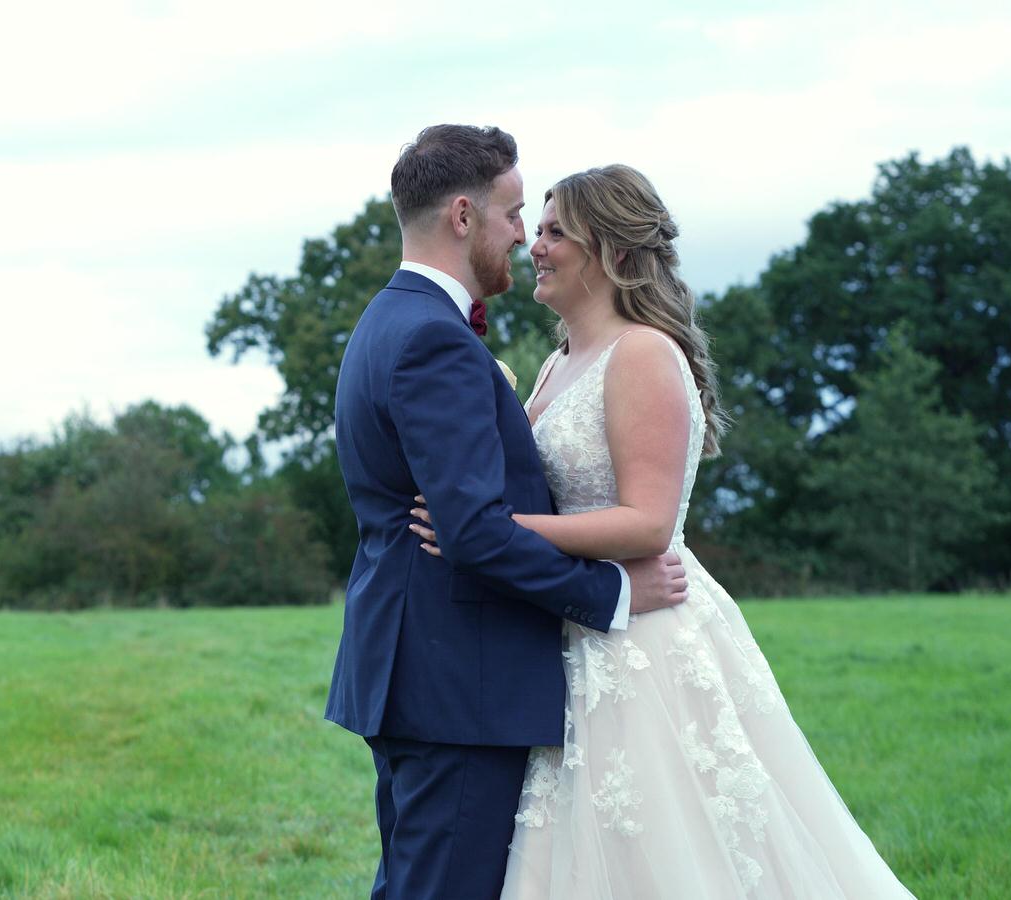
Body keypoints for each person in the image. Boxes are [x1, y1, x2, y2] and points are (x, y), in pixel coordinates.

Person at [408, 164, 917, 897]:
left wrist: (493, 528)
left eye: (556, 233)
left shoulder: (643, 352)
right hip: (574, 621)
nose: (533, 246)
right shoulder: (555, 363)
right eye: (537, 229)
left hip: (642, 635)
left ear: (612, 250)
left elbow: (647, 522)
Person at [325, 124, 689, 900]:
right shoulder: (434, 339)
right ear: (463, 216)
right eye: (517, 214)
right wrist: (614, 592)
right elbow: (472, 533)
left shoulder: (386, 322)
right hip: (457, 680)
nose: (524, 238)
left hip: (420, 670)